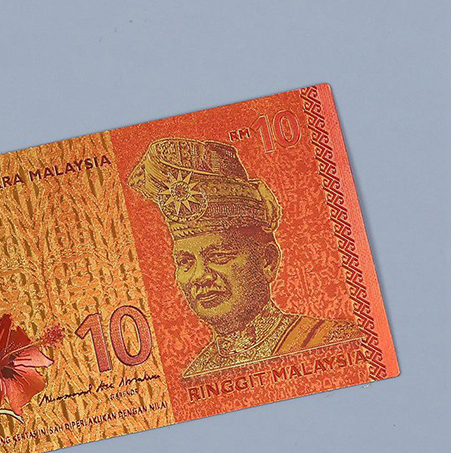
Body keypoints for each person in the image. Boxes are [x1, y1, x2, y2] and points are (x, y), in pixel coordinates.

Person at [127, 137, 360, 376]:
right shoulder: (197, 374)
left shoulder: (331, 340)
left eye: (218, 256)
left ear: (268, 261)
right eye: (186, 262)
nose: (200, 276)